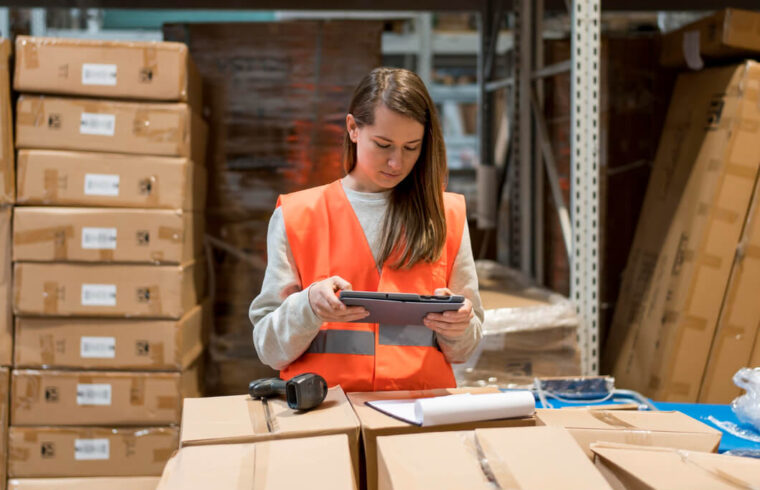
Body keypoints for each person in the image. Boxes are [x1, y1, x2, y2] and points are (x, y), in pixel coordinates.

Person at [250, 67, 483, 392]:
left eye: (411, 147)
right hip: (326, 418)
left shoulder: (447, 215)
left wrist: (458, 327)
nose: (396, 163)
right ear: (353, 129)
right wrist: (309, 307)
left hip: (420, 422)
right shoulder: (298, 215)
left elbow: (465, 349)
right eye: (383, 144)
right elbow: (269, 349)